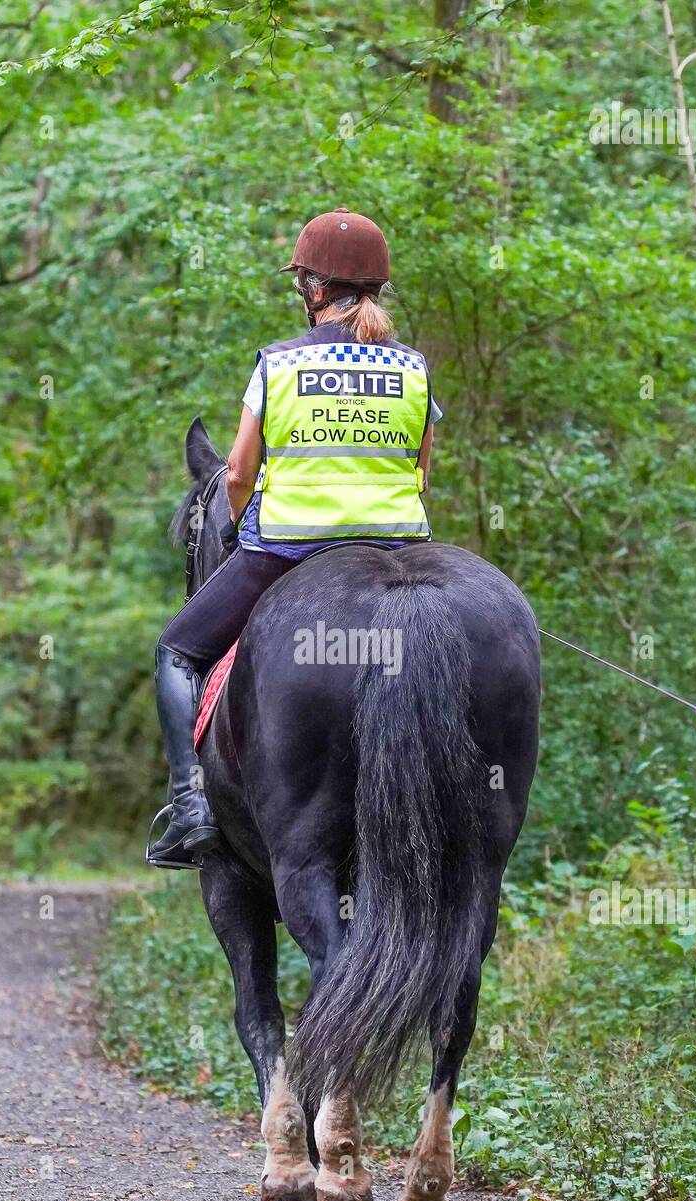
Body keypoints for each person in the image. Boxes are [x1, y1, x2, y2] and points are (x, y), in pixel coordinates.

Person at [148, 208, 443, 868]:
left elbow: (239, 475)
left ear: (313, 288)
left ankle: (189, 805)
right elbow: (420, 473)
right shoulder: (413, 369)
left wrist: (249, 518)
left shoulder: (279, 365)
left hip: (289, 547)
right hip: (401, 549)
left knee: (175, 651)